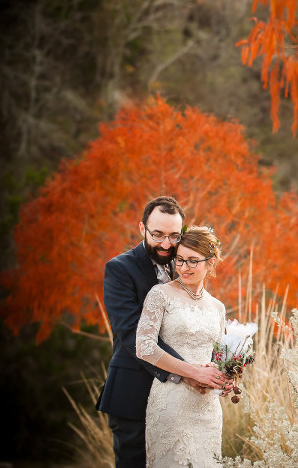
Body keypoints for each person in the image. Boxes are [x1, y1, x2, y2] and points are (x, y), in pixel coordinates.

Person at [96, 196, 211, 467]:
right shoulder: (119, 269)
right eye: (157, 235)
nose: (166, 244)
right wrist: (188, 372)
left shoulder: (184, 266)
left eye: (174, 236)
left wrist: (216, 370)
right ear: (142, 229)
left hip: (178, 400)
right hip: (133, 392)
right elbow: (132, 333)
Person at [135, 225, 228, 467]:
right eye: (180, 260)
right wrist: (193, 372)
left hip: (207, 407)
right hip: (171, 402)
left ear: (211, 262)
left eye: (192, 261)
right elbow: (144, 346)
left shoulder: (218, 307)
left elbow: (220, 355)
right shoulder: (160, 294)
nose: (184, 268)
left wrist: (226, 379)